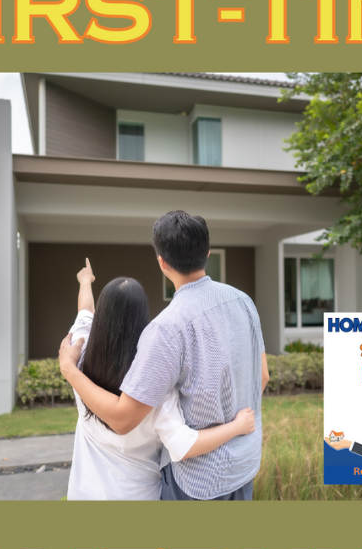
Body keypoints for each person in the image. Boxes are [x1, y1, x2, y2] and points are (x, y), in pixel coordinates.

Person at [60, 211, 269, 501]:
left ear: (162, 262)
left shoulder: (166, 328)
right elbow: (262, 376)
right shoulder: (244, 302)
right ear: (207, 252)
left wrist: (70, 370)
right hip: (244, 464)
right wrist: (235, 425)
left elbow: (123, 418)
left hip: (199, 481)